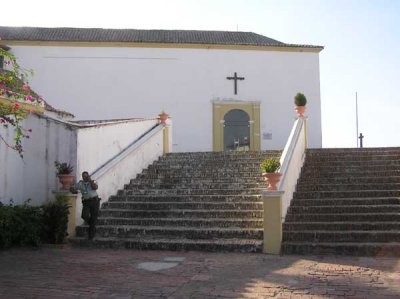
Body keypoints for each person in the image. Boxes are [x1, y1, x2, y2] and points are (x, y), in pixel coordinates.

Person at [70, 171, 100, 240]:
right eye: (83, 176)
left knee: (93, 218)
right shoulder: (80, 184)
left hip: (95, 201)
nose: (84, 177)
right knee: (84, 215)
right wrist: (73, 190)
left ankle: (91, 236)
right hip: (86, 202)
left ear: (89, 176)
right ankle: (93, 226)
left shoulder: (93, 181)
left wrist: (90, 181)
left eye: (86, 176)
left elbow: (95, 187)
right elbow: (72, 188)